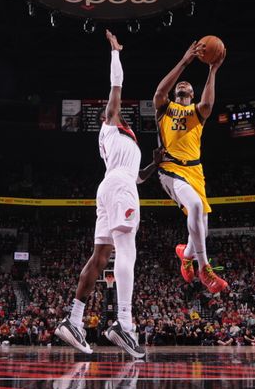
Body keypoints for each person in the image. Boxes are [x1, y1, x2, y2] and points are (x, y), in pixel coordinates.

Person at [55, 30, 160, 359]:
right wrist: (116, 53)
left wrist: (153, 166)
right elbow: (117, 86)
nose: (115, 108)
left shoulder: (121, 143)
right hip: (119, 186)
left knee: (100, 257)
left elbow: (136, 179)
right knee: (127, 252)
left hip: (111, 187)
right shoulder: (111, 123)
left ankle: (73, 321)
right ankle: (124, 325)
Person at [154, 40, 227, 293]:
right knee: (195, 206)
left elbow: (208, 105)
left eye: (187, 86)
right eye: (180, 86)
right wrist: (185, 61)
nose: (183, 85)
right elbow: (159, 93)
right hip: (171, 170)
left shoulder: (197, 112)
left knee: (202, 231)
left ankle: (186, 253)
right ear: (176, 93)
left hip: (195, 171)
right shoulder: (165, 109)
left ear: (192, 94)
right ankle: (205, 269)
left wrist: (212, 70)